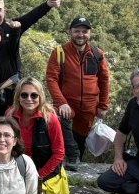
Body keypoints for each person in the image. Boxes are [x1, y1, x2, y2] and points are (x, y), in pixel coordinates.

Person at [45, 16, 110, 170]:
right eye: (77, 31)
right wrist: (61, 102)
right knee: (62, 127)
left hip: (89, 105)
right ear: (70, 32)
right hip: (67, 102)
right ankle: (71, 155)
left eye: (84, 31)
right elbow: (51, 79)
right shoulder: (60, 52)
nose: (81, 35)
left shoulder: (97, 54)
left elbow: (104, 80)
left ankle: (75, 163)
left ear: (90, 33)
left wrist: (103, 105)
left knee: (81, 137)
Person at [5, 77, 67, 194]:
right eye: (24, 95)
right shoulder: (10, 115)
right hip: (19, 167)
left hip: (43, 170)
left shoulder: (50, 119)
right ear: (18, 97)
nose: (29, 99)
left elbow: (59, 153)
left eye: (34, 95)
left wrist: (39, 176)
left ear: (40, 97)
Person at [0, 0, 60, 64]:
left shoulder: (13, 27)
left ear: (4, 11)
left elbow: (33, 16)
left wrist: (48, 4)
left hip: (11, 81)